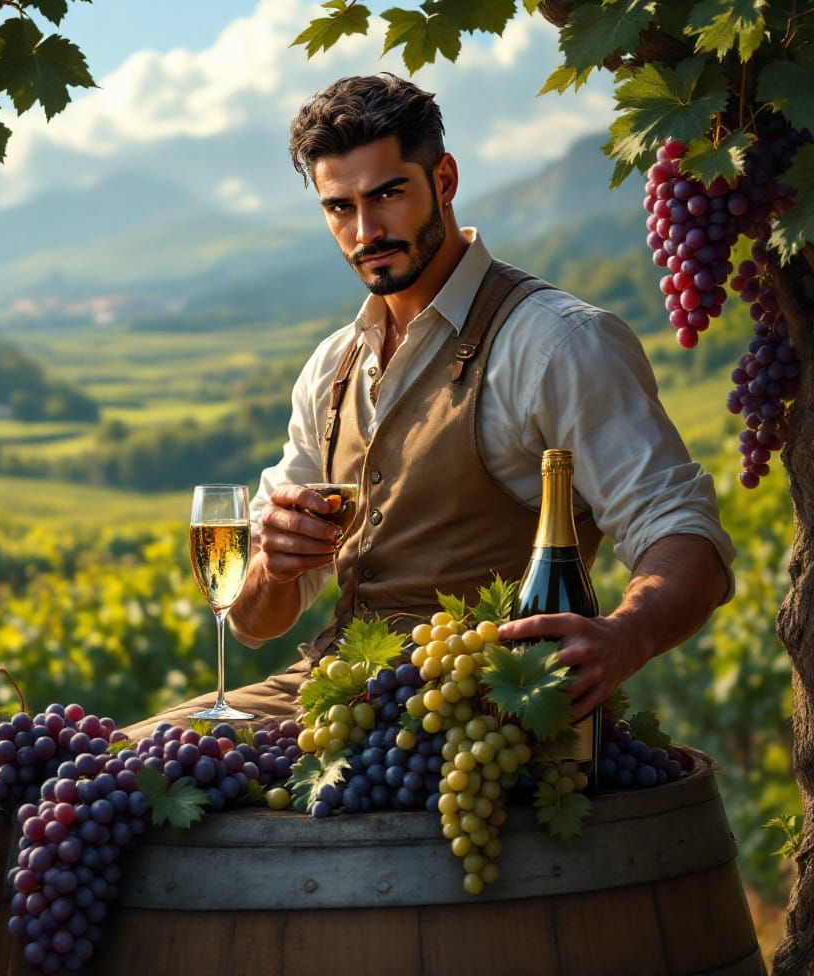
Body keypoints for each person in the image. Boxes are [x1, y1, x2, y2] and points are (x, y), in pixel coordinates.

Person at [123, 74, 733, 741]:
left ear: (443, 179)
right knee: (95, 765)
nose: (365, 230)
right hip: (332, 701)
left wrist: (626, 637)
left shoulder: (557, 343)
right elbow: (252, 622)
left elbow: (684, 533)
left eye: (388, 194)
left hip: (475, 717)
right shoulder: (331, 368)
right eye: (339, 207)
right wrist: (274, 563)